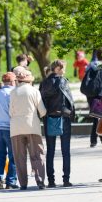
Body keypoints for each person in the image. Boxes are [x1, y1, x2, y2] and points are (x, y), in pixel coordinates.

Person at [9, 66, 47, 190]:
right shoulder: (34, 91)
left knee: (19, 156)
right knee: (37, 154)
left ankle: (23, 183)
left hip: (16, 128)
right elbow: (42, 111)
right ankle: (40, 180)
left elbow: (10, 112)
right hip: (32, 126)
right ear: (29, 80)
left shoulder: (13, 92)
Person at [40, 59, 76, 187]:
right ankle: (66, 179)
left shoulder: (44, 83)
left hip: (49, 118)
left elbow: (41, 101)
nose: (65, 69)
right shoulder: (62, 81)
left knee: (50, 151)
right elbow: (70, 101)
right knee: (65, 151)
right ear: (58, 68)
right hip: (63, 118)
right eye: (63, 67)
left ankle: (51, 180)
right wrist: (72, 114)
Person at [81, 47, 102, 147]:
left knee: (95, 116)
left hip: (90, 94)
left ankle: (99, 138)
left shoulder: (91, 65)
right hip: (100, 94)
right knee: (100, 116)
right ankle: (95, 139)